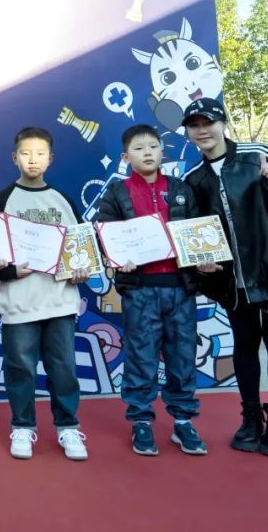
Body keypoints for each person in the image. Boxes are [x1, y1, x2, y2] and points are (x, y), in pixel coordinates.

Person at [182, 98, 268, 458]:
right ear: (188, 133)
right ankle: (250, 418)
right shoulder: (193, 179)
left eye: (208, 123)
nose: (202, 131)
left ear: (223, 124)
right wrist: (203, 263)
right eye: (194, 125)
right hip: (233, 283)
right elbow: (196, 232)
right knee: (244, 345)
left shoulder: (258, 154)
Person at [95, 124, 217, 456]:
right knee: (141, 357)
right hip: (140, 291)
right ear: (126, 157)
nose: (147, 153)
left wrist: (204, 259)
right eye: (139, 148)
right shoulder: (117, 193)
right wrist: (117, 257)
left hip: (180, 288)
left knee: (183, 356)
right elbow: (105, 235)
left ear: (163, 151)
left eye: (153, 146)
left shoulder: (181, 189)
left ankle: (183, 422)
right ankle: (141, 422)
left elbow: (196, 233)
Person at [0, 127, 90, 461]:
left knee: (64, 368)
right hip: (19, 303)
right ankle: (22, 426)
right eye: (26, 153)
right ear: (14, 157)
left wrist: (82, 269)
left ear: (51, 159)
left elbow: (81, 249)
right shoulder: (3, 200)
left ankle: (67, 426)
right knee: (20, 368)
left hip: (59, 301)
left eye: (40, 153)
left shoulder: (62, 200)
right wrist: (8, 271)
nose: (33, 160)